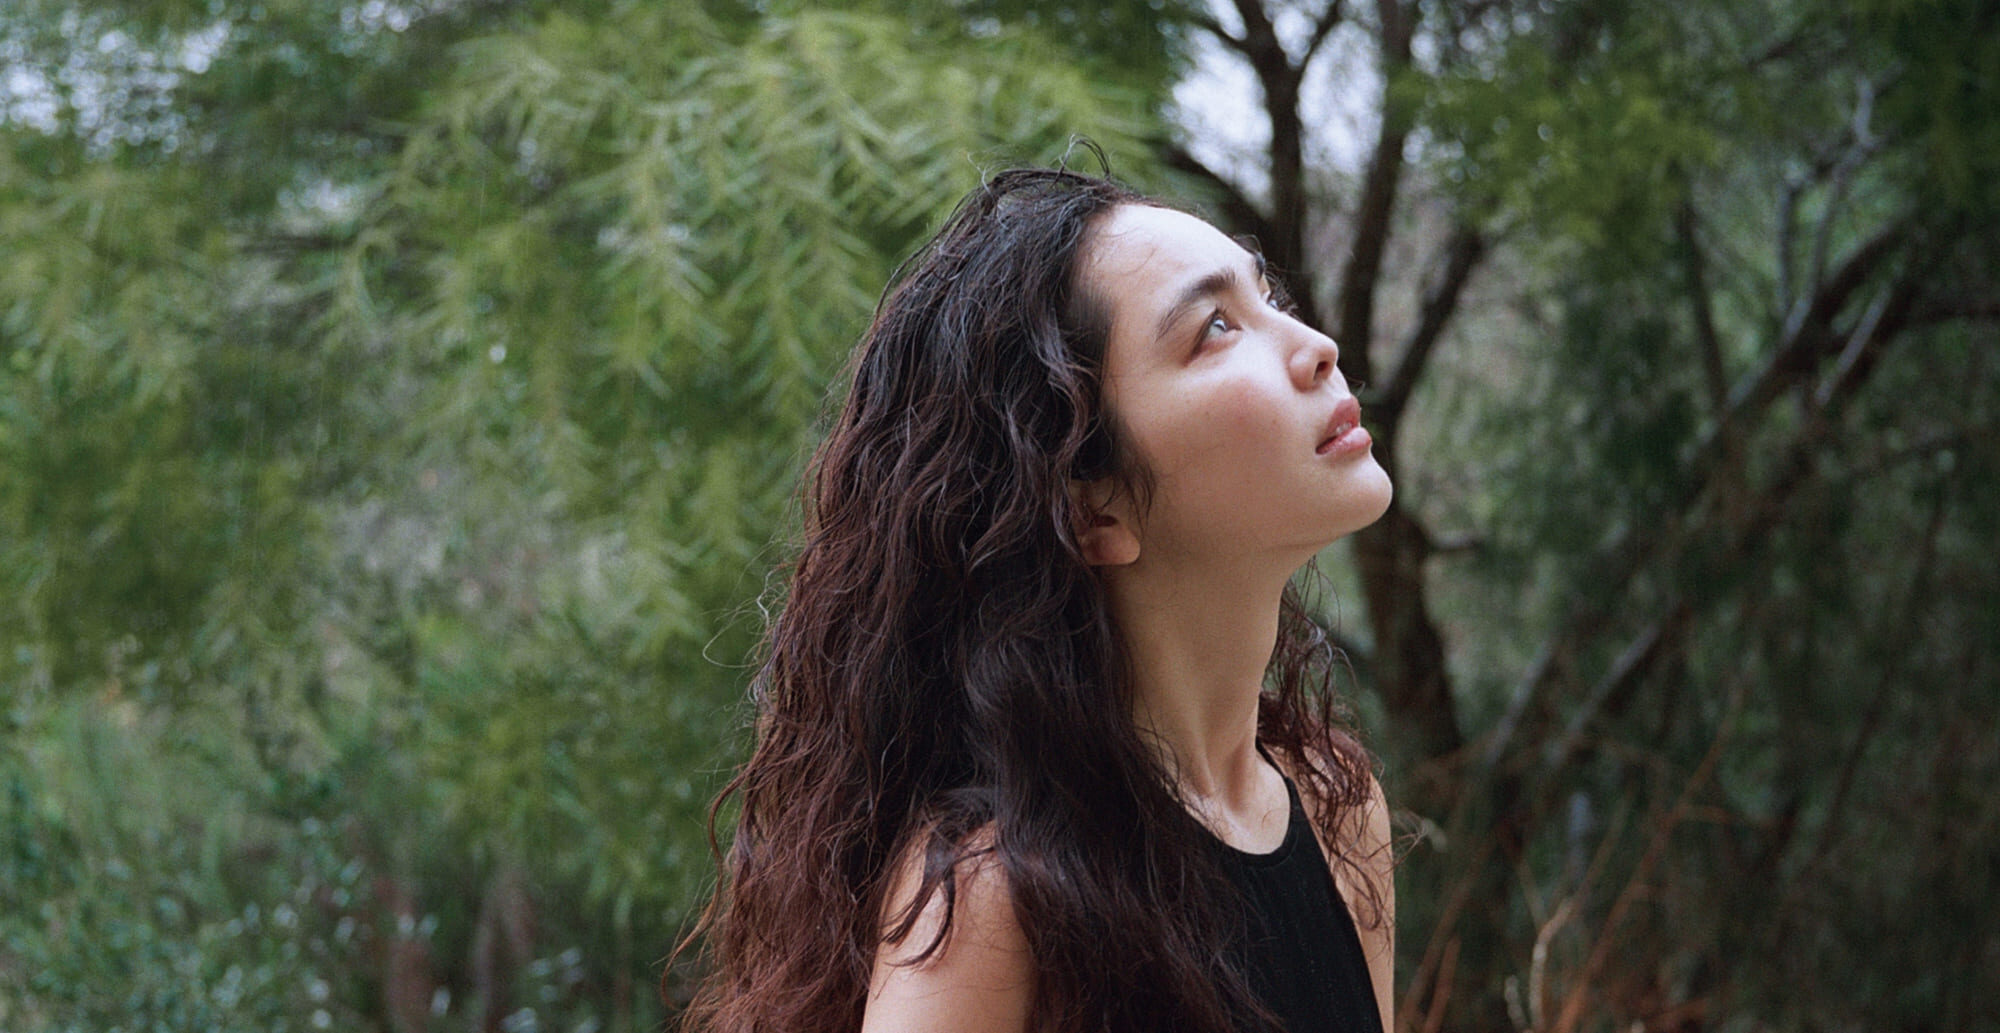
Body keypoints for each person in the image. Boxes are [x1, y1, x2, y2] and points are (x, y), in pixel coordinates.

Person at [679, 165, 1396, 1033]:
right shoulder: (993, 902)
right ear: (1092, 510)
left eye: (1268, 295)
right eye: (1215, 327)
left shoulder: (1337, 806)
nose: (1314, 345)